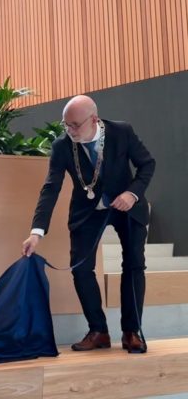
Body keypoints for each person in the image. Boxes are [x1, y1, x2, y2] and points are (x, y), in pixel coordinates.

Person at [22, 95, 155, 354]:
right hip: (88, 211)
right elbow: (51, 188)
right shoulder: (62, 146)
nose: (70, 130)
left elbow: (147, 164)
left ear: (94, 119)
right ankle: (98, 331)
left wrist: (132, 193)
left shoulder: (121, 132)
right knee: (81, 269)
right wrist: (36, 233)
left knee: (134, 265)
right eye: (66, 125)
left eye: (75, 125)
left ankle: (131, 331)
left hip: (127, 205)